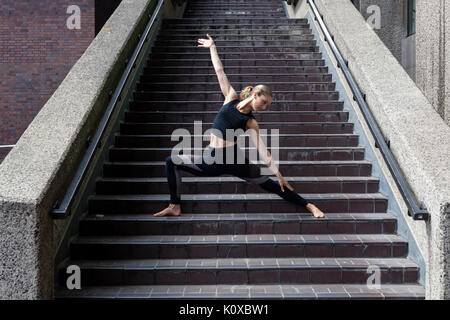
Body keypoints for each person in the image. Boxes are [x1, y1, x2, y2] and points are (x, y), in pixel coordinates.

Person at [154, 34, 325, 218]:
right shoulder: (230, 97)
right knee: (171, 161)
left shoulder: (251, 122)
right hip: (211, 158)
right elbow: (220, 71)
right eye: (264, 102)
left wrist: (278, 174)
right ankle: (175, 206)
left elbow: (263, 151)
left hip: (236, 160)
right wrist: (212, 47)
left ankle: (309, 205)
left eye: (267, 105)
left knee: (271, 185)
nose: (265, 107)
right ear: (256, 95)